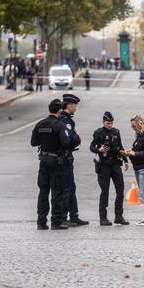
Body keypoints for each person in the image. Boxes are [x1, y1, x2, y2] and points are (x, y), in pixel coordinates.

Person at [30, 99, 73, 230]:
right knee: (57, 191)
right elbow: (66, 143)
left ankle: (41, 222)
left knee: (43, 191)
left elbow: (33, 142)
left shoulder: (39, 124)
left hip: (43, 160)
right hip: (56, 161)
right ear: (60, 110)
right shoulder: (59, 125)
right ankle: (56, 222)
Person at [90, 111, 129, 226]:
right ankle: (103, 218)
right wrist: (99, 150)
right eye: (108, 123)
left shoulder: (116, 132)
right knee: (105, 192)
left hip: (116, 164)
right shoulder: (98, 132)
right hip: (104, 165)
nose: (110, 125)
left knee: (120, 191)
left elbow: (120, 147)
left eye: (111, 123)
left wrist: (126, 160)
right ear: (103, 122)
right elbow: (92, 147)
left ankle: (118, 216)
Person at [58, 93, 89, 227]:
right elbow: (69, 139)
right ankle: (64, 217)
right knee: (66, 188)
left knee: (71, 187)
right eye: (74, 106)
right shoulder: (65, 121)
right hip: (64, 157)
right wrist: (77, 139)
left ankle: (74, 215)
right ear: (69, 105)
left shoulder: (66, 119)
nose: (75, 108)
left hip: (67, 157)